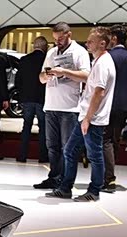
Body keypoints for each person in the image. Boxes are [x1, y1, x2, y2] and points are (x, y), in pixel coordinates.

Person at [46, 27, 116, 202]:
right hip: (85, 116)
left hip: (92, 119)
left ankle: (94, 191)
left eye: (91, 41)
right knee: (70, 151)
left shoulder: (103, 63)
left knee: (94, 155)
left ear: (102, 43)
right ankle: (66, 188)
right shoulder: (98, 61)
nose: (87, 43)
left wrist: (88, 118)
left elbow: (99, 92)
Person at [34, 22, 91, 190]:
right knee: (52, 146)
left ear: (68, 34)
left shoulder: (80, 52)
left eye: (60, 38)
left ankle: (65, 181)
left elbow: (86, 75)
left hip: (70, 107)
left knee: (67, 147)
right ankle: (54, 177)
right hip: (51, 105)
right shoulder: (51, 52)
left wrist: (64, 72)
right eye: (55, 39)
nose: (57, 42)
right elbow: (41, 78)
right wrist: (48, 75)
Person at [101, 25, 127, 192]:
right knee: (114, 139)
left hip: (106, 103)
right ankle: (109, 175)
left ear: (113, 38)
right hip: (125, 105)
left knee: (105, 140)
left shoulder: (106, 56)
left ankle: (108, 178)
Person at [15, 36, 49, 163]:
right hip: (42, 99)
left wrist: (21, 95)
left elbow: (18, 80)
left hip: (27, 98)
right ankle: (43, 156)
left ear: (34, 46)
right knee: (43, 128)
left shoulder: (24, 60)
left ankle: (22, 155)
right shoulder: (47, 60)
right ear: (45, 47)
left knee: (26, 126)